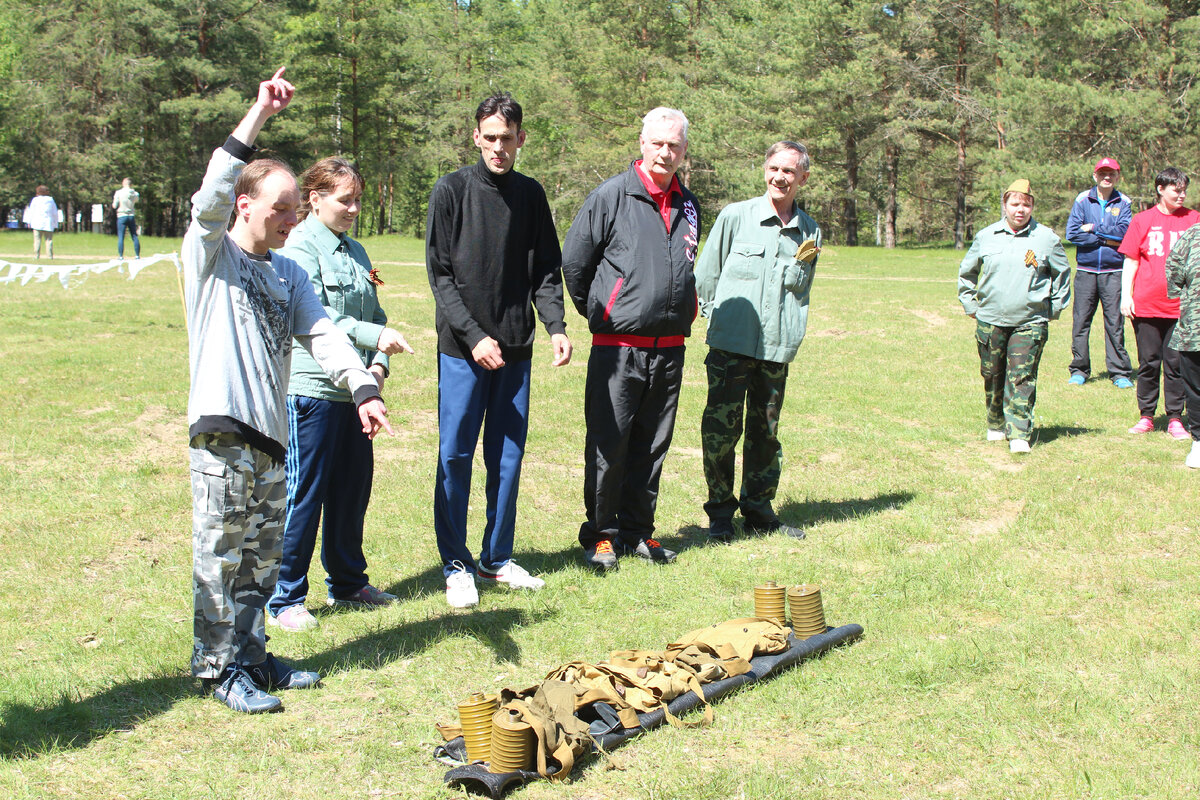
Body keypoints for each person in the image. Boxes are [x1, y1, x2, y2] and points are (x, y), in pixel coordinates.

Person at [185, 68, 392, 713]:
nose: (288, 220)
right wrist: (258, 116)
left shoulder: (289, 273)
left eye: (294, 211)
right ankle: (217, 671)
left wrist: (362, 386)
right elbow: (213, 187)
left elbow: (323, 336)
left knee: (259, 561)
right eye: (279, 209)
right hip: (222, 432)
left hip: (272, 437)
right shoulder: (210, 254)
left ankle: (251, 657)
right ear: (245, 205)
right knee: (220, 559)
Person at [426, 93, 571, 609]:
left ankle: (496, 558)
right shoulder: (451, 191)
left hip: (516, 348)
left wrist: (554, 325)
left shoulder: (531, 196)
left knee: (507, 458)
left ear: (520, 139)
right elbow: (440, 276)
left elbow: (545, 271)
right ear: (476, 137)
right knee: (456, 455)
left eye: (507, 139)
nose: (497, 148)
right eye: (489, 138)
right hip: (462, 349)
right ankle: (456, 565)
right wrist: (473, 335)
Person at [267, 157, 415, 632]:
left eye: (357, 200)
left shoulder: (356, 252)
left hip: (359, 392)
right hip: (312, 390)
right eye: (344, 200)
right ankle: (285, 596)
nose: (353, 209)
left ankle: (349, 583)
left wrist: (377, 367)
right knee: (304, 495)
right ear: (314, 198)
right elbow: (319, 316)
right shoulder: (297, 248)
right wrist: (373, 337)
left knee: (352, 492)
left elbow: (378, 312)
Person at [562, 107, 701, 569]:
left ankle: (640, 532)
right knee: (609, 444)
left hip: (670, 350)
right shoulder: (611, 196)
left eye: (674, 144)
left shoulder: (688, 202)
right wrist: (602, 311)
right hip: (618, 350)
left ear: (684, 150)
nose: (665, 151)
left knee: (652, 445)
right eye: (658, 142)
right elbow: (575, 263)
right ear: (642, 143)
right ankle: (601, 534)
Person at [695, 141, 818, 544]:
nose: (780, 177)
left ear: (803, 178)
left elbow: (802, 289)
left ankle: (760, 511)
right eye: (774, 168)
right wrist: (718, 318)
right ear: (765, 169)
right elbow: (707, 274)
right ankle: (719, 515)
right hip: (731, 344)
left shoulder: (809, 229)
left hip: (776, 348)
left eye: (789, 171)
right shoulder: (737, 216)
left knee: (765, 433)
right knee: (720, 432)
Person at [958, 179, 1070, 453]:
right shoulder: (986, 236)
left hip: (1029, 322)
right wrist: (971, 305)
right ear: (1005, 205)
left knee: (1022, 377)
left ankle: (1019, 432)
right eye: (1015, 203)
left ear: (1032, 206)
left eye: (1026, 204)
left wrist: (1053, 309)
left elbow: (1063, 275)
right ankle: (996, 424)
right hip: (990, 319)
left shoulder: (1046, 238)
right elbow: (967, 273)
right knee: (992, 373)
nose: (1020, 209)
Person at [1118, 167, 1200, 438]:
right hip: (1146, 305)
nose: (1182, 195)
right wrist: (1126, 296)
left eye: (1184, 190)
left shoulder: (1194, 220)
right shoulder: (1142, 220)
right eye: (1176, 190)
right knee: (1149, 362)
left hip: (1182, 309)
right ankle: (1146, 416)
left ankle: (1176, 417)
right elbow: (1131, 260)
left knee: (1176, 363)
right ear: (1160, 190)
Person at [1065, 157, 1133, 387]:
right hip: (1085, 271)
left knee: (1114, 323)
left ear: (1117, 176)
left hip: (1114, 272)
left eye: (1111, 173)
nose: (1107, 176)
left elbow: (1125, 234)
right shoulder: (1083, 200)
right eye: (1102, 173)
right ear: (1095, 176)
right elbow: (1073, 234)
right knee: (1081, 321)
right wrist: (1108, 239)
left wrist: (1095, 229)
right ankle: (1079, 369)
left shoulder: (1123, 202)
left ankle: (1119, 372)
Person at [1165, 221, 1200, 468]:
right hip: (1195, 328)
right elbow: (1174, 267)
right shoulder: (1193, 234)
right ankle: (1198, 442)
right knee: (1196, 389)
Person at [23, 185, 59, 259]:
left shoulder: (35, 200)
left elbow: (31, 211)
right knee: (49, 240)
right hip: (48, 223)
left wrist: (29, 222)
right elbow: (54, 212)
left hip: (37, 222)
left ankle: (36, 255)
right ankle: (50, 256)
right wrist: (55, 223)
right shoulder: (50, 200)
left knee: (37, 240)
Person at [112, 177, 141, 259]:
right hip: (131, 215)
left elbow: (114, 206)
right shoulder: (135, 193)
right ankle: (137, 255)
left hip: (122, 215)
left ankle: (121, 256)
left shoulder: (119, 192)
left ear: (123, 183)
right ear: (131, 184)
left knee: (121, 236)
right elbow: (136, 200)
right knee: (134, 235)